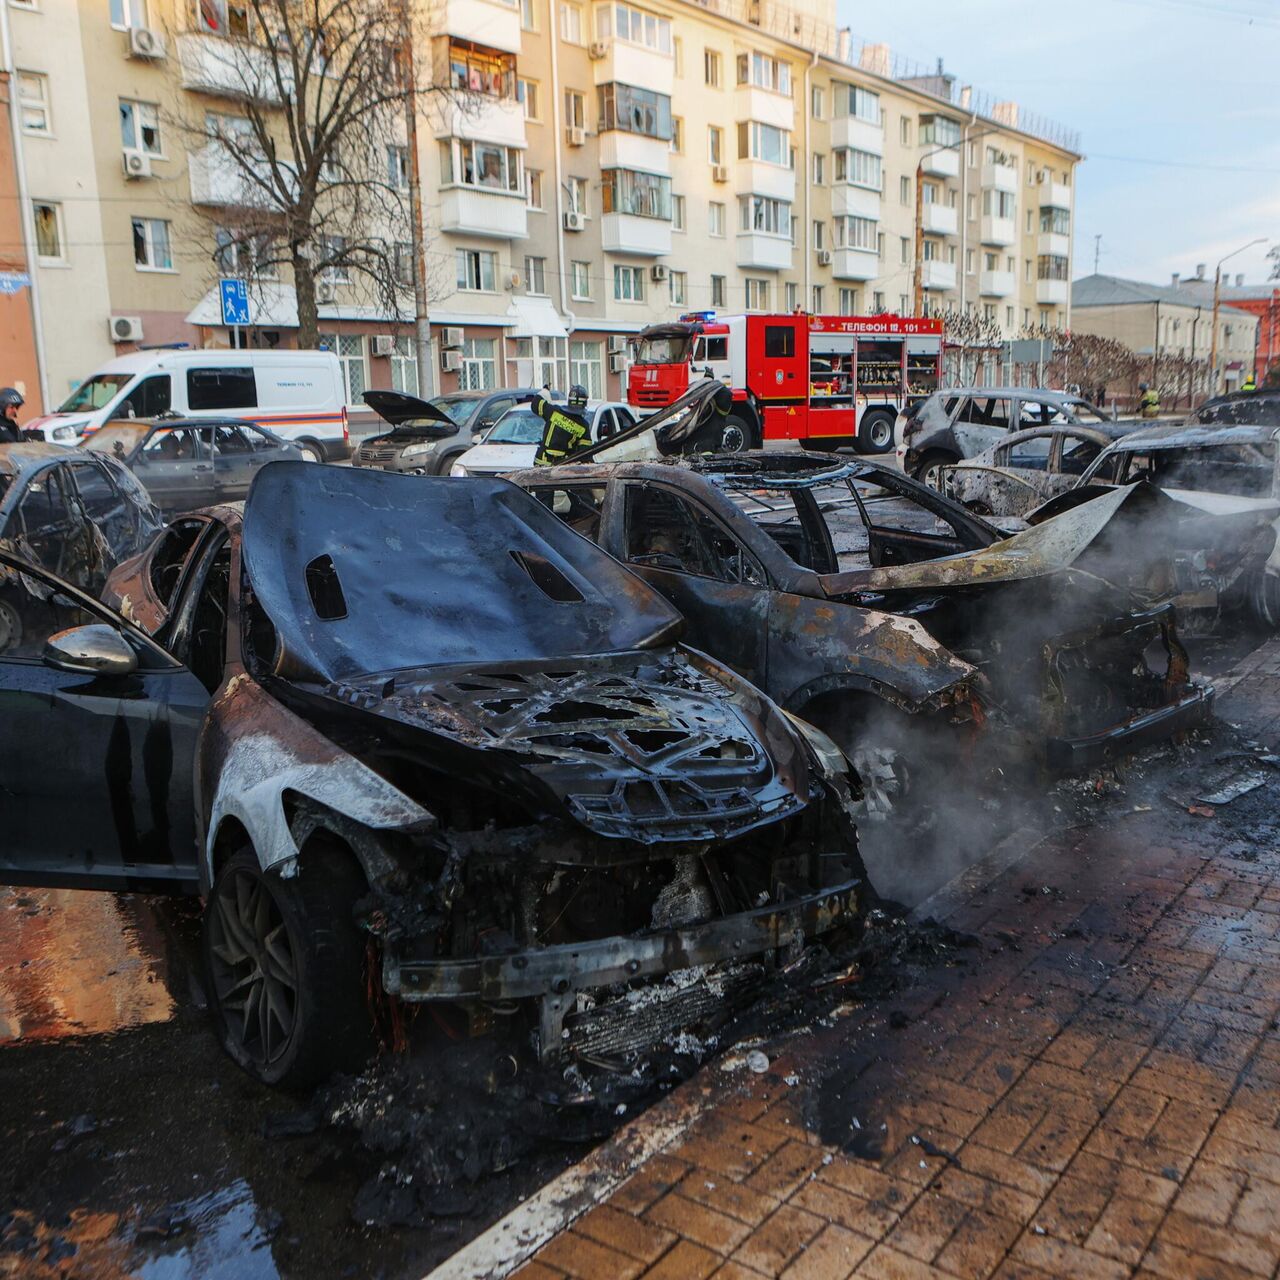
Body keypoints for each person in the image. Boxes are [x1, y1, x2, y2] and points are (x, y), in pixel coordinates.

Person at [532, 384, 591, 466]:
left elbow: (535, 403)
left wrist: (545, 391)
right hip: (562, 467)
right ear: (584, 404)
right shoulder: (583, 426)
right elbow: (585, 454)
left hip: (542, 463)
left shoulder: (553, 411)